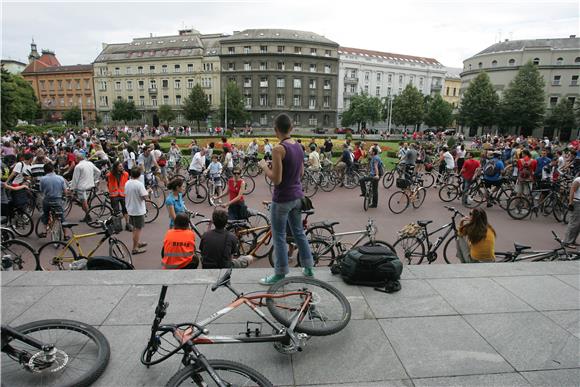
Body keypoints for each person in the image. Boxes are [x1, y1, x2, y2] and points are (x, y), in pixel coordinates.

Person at [258, 113, 314, 285]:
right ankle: (308, 267)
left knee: (279, 236)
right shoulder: (297, 146)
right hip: (297, 197)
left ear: (276, 130)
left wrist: (264, 168)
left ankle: (280, 273)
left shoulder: (278, 149)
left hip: (282, 199)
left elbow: (277, 179)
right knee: (299, 233)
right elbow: (302, 172)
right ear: (291, 128)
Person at [38, 163, 69, 238]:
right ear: (53, 169)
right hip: (57, 200)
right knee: (61, 217)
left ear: (45, 171)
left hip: (47, 200)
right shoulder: (60, 178)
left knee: (45, 214)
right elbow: (65, 191)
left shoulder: (42, 179)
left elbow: (41, 190)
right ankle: (65, 235)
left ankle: (44, 231)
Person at [124, 167, 149, 255]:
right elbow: (144, 197)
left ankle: (137, 243)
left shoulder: (127, 183)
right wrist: (148, 191)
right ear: (139, 175)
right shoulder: (139, 184)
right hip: (138, 209)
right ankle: (135, 248)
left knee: (134, 228)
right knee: (138, 229)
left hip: (130, 208)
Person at [70, 152, 100, 222]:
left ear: (77, 158)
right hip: (90, 186)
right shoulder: (90, 163)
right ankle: (87, 214)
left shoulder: (78, 166)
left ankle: (88, 216)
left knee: (84, 203)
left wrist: (72, 189)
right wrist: (95, 180)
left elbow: (75, 179)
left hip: (82, 187)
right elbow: (98, 172)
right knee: (85, 202)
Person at [107, 160, 131, 231]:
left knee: (125, 210)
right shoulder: (110, 175)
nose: (122, 167)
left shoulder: (126, 174)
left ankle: (127, 224)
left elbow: (127, 183)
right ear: (116, 167)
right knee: (116, 212)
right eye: (120, 166)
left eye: (122, 166)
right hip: (114, 195)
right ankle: (117, 225)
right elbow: (107, 182)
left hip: (123, 194)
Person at [564, 175, 580, 247]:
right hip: (577, 203)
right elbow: (572, 191)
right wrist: (570, 203)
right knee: (574, 223)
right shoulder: (578, 180)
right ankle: (567, 241)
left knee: (578, 224)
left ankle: (573, 240)